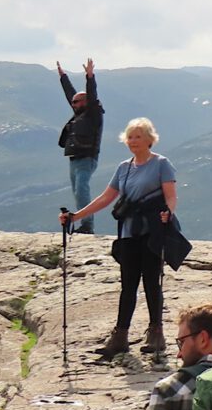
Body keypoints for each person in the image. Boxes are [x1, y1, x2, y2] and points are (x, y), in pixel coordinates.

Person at [61, 117, 178, 358]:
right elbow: (107, 197)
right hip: (127, 233)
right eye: (130, 137)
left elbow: (171, 195)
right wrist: (76, 217)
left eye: (138, 136)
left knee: (151, 283)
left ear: (149, 139)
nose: (133, 141)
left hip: (152, 231)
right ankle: (120, 336)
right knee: (128, 285)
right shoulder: (124, 168)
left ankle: (156, 335)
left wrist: (168, 213)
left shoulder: (161, 164)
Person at [56, 58, 104, 234]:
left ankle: (87, 226)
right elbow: (71, 94)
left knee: (82, 191)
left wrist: (90, 77)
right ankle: (84, 223)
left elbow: (92, 95)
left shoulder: (93, 113)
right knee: (78, 192)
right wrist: (63, 77)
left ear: (86, 102)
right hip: (74, 159)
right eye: (73, 103)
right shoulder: (79, 114)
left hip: (86, 159)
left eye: (77, 102)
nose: (73, 104)